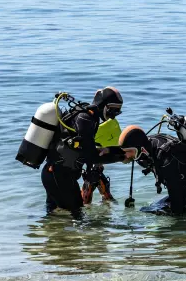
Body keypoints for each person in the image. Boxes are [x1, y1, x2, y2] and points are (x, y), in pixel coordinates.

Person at [41, 87, 124, 215]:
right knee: (76, 216)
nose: (113, 116)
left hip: (56, 174)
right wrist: (121, 156)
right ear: (103, 105)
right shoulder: (85, 119)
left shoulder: (89, 117)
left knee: (55, 217)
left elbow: (84, 150)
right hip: (59, 176)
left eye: (118, 112)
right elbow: (91, 156)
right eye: (112, 110)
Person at [118, 125, 186, 216]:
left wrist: (175, 227)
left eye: (129, 151)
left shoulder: (165, 158)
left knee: (172, 216)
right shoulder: (150, 144)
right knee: (148, 210)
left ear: (141, 148)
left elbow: (176, 198)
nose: (126, 155)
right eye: (125, 151)